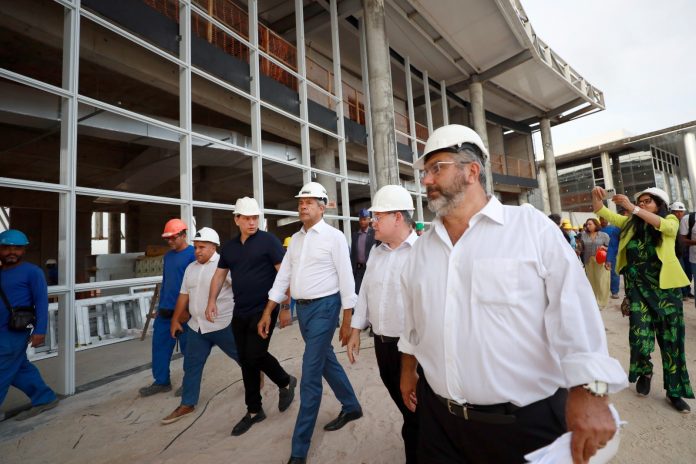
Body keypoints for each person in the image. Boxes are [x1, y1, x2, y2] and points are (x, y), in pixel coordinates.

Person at [399, 124, 627, 463]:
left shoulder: (531, 229)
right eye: (425, 172)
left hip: (522, 426)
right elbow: (414, 320)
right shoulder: (421, 250)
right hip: (440, 423)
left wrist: (591, 392)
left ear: (471, 171)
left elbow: (575, 313)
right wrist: (408, 370)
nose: (426, 180)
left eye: (436, 168)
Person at [258, 182, 362, 464]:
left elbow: (347, 279)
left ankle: (299, 450)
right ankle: (352, 406)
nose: (303, 206)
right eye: (300, 202)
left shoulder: (334, 237)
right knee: (325, 360)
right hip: (302, 311)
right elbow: (283, 278)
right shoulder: (295, 240)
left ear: (322, 207)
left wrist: (347, 320)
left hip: (326, 308)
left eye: (309, 202)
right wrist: (269, 310)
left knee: (310, 371)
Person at [594, 186, 693, 413]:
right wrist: (596, 196)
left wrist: (633, 207)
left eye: (648, 201)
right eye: (641, 201)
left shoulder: (670, 220)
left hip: (666, 292)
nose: (643, 203)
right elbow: (601, 210)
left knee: (671, 342)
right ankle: (645, 372)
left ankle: (674, 391)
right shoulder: (630, 224)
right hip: (638, 291)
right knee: (639, 338)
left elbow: (667, 227)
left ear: (659, 204)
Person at [207, 197, 296, 436]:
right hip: (240, 310)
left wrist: (286, 307)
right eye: (247, 218)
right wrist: (211, 300)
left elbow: (284, 275)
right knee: (246, 360)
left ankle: (285, 381)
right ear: (236, 219)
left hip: (265, 309)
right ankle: (255, 410)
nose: (252, 222)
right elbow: (219, 276)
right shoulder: (229, 248)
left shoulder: (269, 242)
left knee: (255, 354)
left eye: (255, 217)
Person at [346, 185, 419, 463]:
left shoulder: (422, 252)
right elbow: (365, 292)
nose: (372, 222)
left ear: (398, 217)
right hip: (382, 344)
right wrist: (356, 329)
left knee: (416, 412)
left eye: (378, 217)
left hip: (414, 350)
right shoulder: (377, 252)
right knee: (402, 400)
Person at [161, 227, 240, 424]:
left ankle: (257, 376)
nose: (197, 251)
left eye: (202, 247)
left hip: (222, 325)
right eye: (196, 247)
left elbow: (241, 290)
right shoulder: (191, 268)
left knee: (242, 356)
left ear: (214, 247)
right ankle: (187, 404)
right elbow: (183, 295)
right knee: (192, 365)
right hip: (196, 326)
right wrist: (175, 320)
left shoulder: (225, 266)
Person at [0, 229, 59, 421]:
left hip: (13, 332)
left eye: (17, 248)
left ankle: (44, 398)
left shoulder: (33, 272)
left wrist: (40, 331)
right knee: (19, 369)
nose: (11, 252)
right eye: (6, 247)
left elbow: (41, 301)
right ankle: (45, 398)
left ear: (24, 250)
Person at [139, 219, 195, 397]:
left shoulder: (193, 255)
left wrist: (188, 310)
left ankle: (189, 383)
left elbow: (196, 285)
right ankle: (162, 381)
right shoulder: (168, 257)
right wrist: (160, 306)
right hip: (166, 311)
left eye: (173, 238)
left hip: (185, 313)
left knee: (189, 350)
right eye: (167, 238)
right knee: (160, 347)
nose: (170, 241)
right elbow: (166, 283)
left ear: (184, 235)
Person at [580, 218, 611, 309]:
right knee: (591, 281)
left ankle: (601, 302)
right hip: (588, 261)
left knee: (601, 281)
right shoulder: (583, 235)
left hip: (601, 260)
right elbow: (581, 248)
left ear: (596, 225)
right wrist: (577, 250)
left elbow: (611, 248)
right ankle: (593, 301)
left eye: (590, 224)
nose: (588, 226)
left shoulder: (604, 235)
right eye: (587, 224)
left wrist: (605, 248)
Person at [670, 202, 693, 299]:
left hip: (686, 251)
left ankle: (687, 291)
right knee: (681, 272)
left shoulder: (686, 221)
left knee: (688, 272)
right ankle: (683, 293)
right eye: (676, 212)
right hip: (677, 252)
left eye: (681, 211)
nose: (679, 214)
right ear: (672, 212)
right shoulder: (670, 222)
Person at [350, 208, 375, 293]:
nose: (362, 221)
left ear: (369, 220)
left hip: (370, 269)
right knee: (357, 292)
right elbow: (353, 254)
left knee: (370, 292)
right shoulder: (355, 235)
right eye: (360, 219)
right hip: (358, 270)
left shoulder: (374, 234)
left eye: (364, 219)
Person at [599, 217, 621, 299]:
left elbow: (616, 242)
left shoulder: (613, 229)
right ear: (600, 220)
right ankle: (602, 291)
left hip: (612, 253)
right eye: (602, 219)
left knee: (614, 272)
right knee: (601, 273)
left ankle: (615, 292)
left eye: (605, 219)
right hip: (600, 253)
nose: (604, 221)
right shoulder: (598, 229)